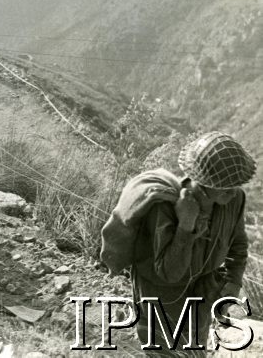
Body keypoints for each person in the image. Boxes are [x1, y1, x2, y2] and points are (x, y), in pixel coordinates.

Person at [101, 131, 256, 354]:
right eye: (226, 186)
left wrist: (233, 281)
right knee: (164, 351)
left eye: (236, 184)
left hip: (203, 291)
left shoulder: (234, 200)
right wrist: (186, 226)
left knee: (195, 349)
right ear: (203, 183)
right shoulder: (164, 208)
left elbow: (238, 244)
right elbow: (169, 273)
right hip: (160, 295)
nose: (233, 192)